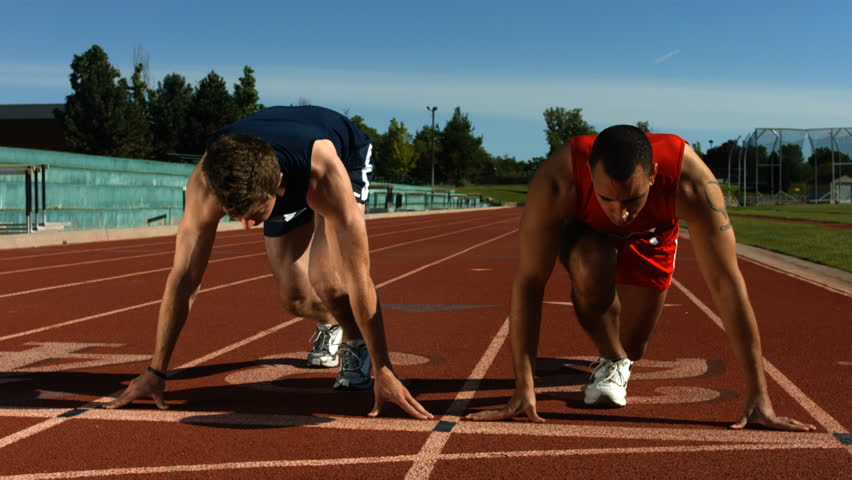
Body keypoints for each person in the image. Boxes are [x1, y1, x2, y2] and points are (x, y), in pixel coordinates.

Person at [466, 125, 815, 431]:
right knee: (592, 267)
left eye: (632, 199)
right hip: (588, 235)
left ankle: (621, 355)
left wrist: (759, 396)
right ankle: (611, 360)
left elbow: (727, 283)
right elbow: (529, 282)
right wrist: (522, 388)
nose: (621, 213)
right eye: (607, 199)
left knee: (635, 348)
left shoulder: (691, 183)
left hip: (654, 235)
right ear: (588, 173)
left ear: (654, 175)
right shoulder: (558, 180)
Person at [105, 105, 433, 420]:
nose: (249, 227)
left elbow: (358, 276)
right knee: (295, 299)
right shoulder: (206, 184)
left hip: (340, 154)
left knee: (330, 280)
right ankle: (332, 322)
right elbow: (184, 279)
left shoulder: (325, 176)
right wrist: (155, 370)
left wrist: (384, 368)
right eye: (237, 217)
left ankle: (354, 343)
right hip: (275, 163)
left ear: (277, 182)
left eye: (255, 215)